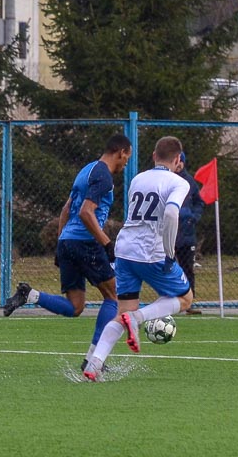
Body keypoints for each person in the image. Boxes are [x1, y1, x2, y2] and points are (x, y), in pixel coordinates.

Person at [3, 134, 132, 370]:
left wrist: (60, 242)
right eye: (127, 157)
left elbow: (66, 209)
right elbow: (85, 212)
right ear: (121, 152)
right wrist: (106, 244)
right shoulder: (104, 176)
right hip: (85, 242)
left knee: (76, 306)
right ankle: (93, 360)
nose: (125, 164)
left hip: (68, 241)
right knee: (114, 297)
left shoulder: (87, 170)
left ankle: (29, 295)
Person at [83, 136, 194, 382]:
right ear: (177, 160)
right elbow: (172, 213)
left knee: (121, 312)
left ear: (154, 156)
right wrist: (169, 252)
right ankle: (138, 318)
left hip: (124, 250)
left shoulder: (137, 179)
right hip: (151, 252)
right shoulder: (178, 182)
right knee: (185, 298)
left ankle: (94, 364)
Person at [174, 151, 204, 315]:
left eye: (179, 161)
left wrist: (193, 217)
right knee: (167, 267)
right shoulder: (166, 180)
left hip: (186, 234)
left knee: (187, 268)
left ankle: (189, 302)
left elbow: (199, 202)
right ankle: (169, 300)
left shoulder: (189, 181)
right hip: (169, 235)